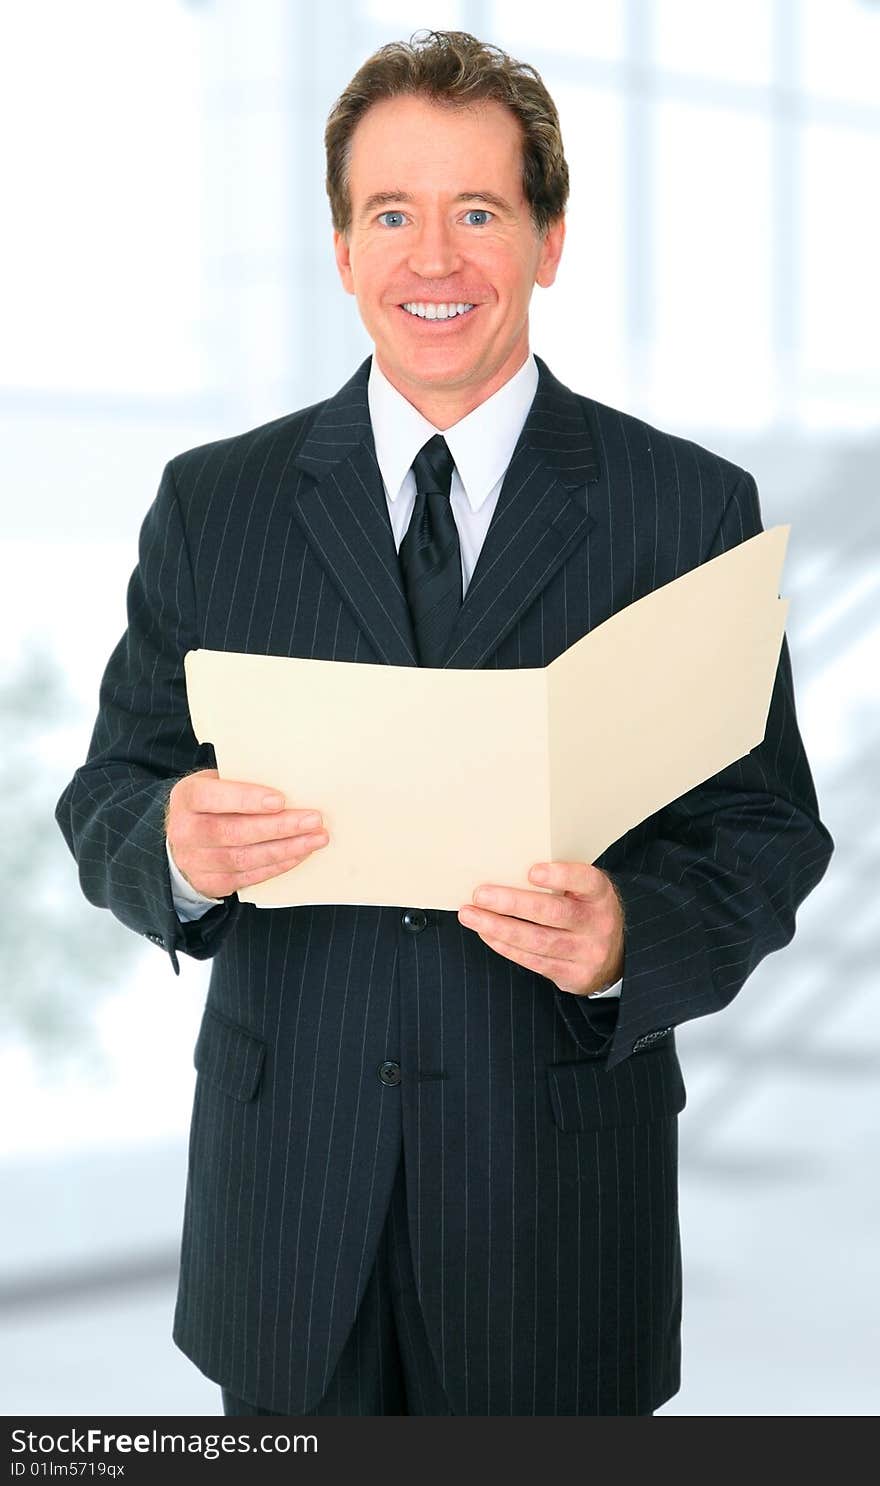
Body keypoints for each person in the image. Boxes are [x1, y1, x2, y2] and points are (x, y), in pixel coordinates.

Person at [56, 29, 833, 1417]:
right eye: (391, 215)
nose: (434, 260)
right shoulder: (213, 504)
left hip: (555, 1208)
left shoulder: (686, 513)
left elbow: (767, 828)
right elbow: (111, 788)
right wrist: (170, 841)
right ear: (343, 248)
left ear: (549, 239)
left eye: (478, 211)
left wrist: (626, 940)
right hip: (285, 1205)